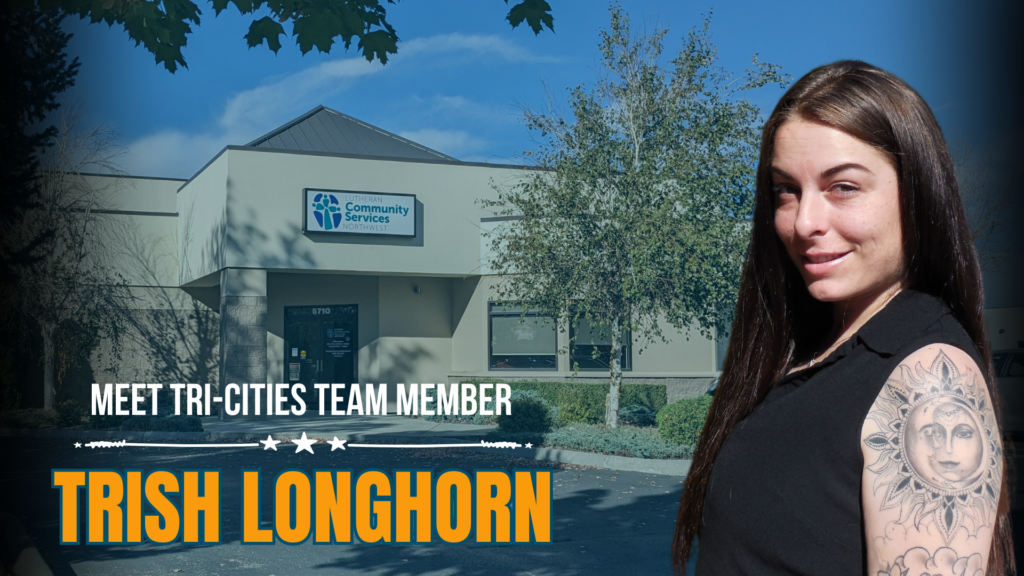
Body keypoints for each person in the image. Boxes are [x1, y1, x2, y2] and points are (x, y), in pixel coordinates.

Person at [671, 60, 1014, 575]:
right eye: (786, 190)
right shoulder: (808, 353)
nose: (804, 221)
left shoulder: (928, 381)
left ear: (917, 194)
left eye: (843, 187)